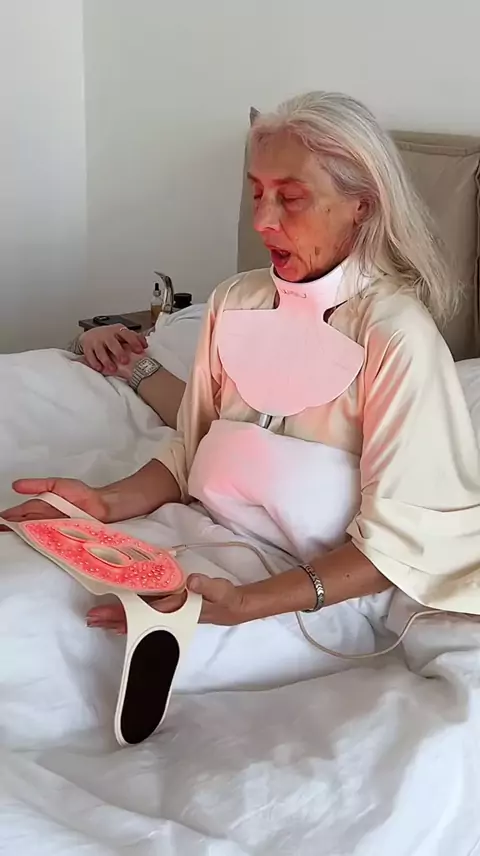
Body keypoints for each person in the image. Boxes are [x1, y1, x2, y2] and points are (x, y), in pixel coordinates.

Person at [3, 90, 480, 641]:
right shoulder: (235, 302)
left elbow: (399, 548)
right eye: (257, 193)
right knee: (20, 595)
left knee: (54, 636)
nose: (262, 221)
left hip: (308, 594)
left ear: (363, 206)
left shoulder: (395, 337)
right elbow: (189, 448)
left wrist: (246, 604)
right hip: (190, 537)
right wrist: (103, 503)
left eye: (290, 198)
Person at [69, 322, 187, 430]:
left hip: (97, 416)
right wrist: (86, 339)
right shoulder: (184, 316)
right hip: (65, 373)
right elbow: (70, 351)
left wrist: (137, 367)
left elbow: (195, 422)